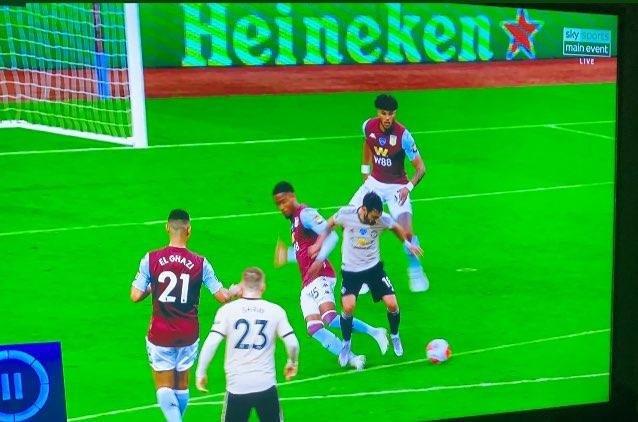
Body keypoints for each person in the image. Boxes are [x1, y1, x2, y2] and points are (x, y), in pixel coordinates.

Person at [130, 209, 241, 422]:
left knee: (164, 386)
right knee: (181, 384)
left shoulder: (151, 258)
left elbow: (135, 296)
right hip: (188, 334)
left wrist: (154, 285)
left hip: (160, 333)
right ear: (189, 230)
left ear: (167, 227)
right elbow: (222, 296)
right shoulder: (200, 262)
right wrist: (234, 291)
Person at [272, 181, 389, 370]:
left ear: (292, 196)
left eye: (283, 201)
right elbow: (304, 252)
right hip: (307, 281)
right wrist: (287, 255)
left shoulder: (305, 214)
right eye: (278, 204)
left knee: (330, 318)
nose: (281, 207)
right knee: (314, 328)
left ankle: (375, 332)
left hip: (321, 275)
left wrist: (319, 260)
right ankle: (353, 359)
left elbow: (331, 236)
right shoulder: (294, 222)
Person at [310, 192, 423, 366]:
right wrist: (318, 244)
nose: (375, 220)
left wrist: (407, 244)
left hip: (374, 268)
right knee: (348, 307)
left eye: (377, 217)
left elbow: (395, 227)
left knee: (392, 304)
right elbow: (329, 224)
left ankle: (394, 335)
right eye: (373, 216)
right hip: (351, 270)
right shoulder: (346, 214)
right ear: (364, 209)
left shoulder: (382, 219)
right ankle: (346, 344)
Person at [196, 267, 300, 422]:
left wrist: (201, 372)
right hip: (265, 385)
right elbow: (292, 343)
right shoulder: (275, 311)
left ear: (241, 286)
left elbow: (211, 343)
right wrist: (292, 362)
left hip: (237, 386)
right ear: (263, 286)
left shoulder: (227, 311)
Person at [349, 93, 429, 293]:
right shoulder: (368, 126)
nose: (387, 118)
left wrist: (408, 188)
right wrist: (365, 172)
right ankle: (363, 275)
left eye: (391, 113)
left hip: (397, 187)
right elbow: (368, 144)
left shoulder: (404, 136)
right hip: (374, 183)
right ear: (378, 112)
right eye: (383, 113)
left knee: (406, 233)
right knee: (352, 221)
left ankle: (415, 270)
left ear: (395, 113)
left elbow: (421, 168)